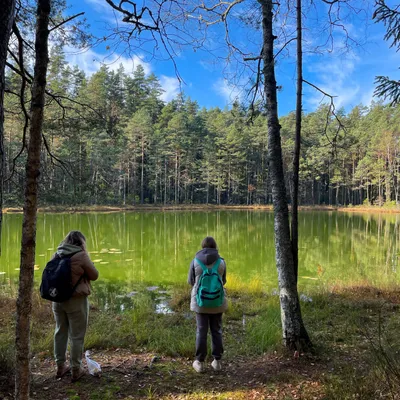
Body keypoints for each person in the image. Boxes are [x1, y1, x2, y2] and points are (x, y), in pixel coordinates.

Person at [51, 230, 99, 382]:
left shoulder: (57, 253)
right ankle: (76, 370)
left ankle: (60, 367)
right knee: (77, 336)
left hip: (57, 300)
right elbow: (95, 275)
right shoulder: (81, 256)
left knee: (60, 332)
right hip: (76, 301)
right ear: (81, 242)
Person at [188, 236, 227, 373]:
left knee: (201, 331)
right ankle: (217, 361)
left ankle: (199, 362)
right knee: (216, 330)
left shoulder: (195, 261)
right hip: (217, 301)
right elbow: (223, 281)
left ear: (202, 247)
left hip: (200, 302)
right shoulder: (221, 262)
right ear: (215, 247)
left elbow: (191, 281)